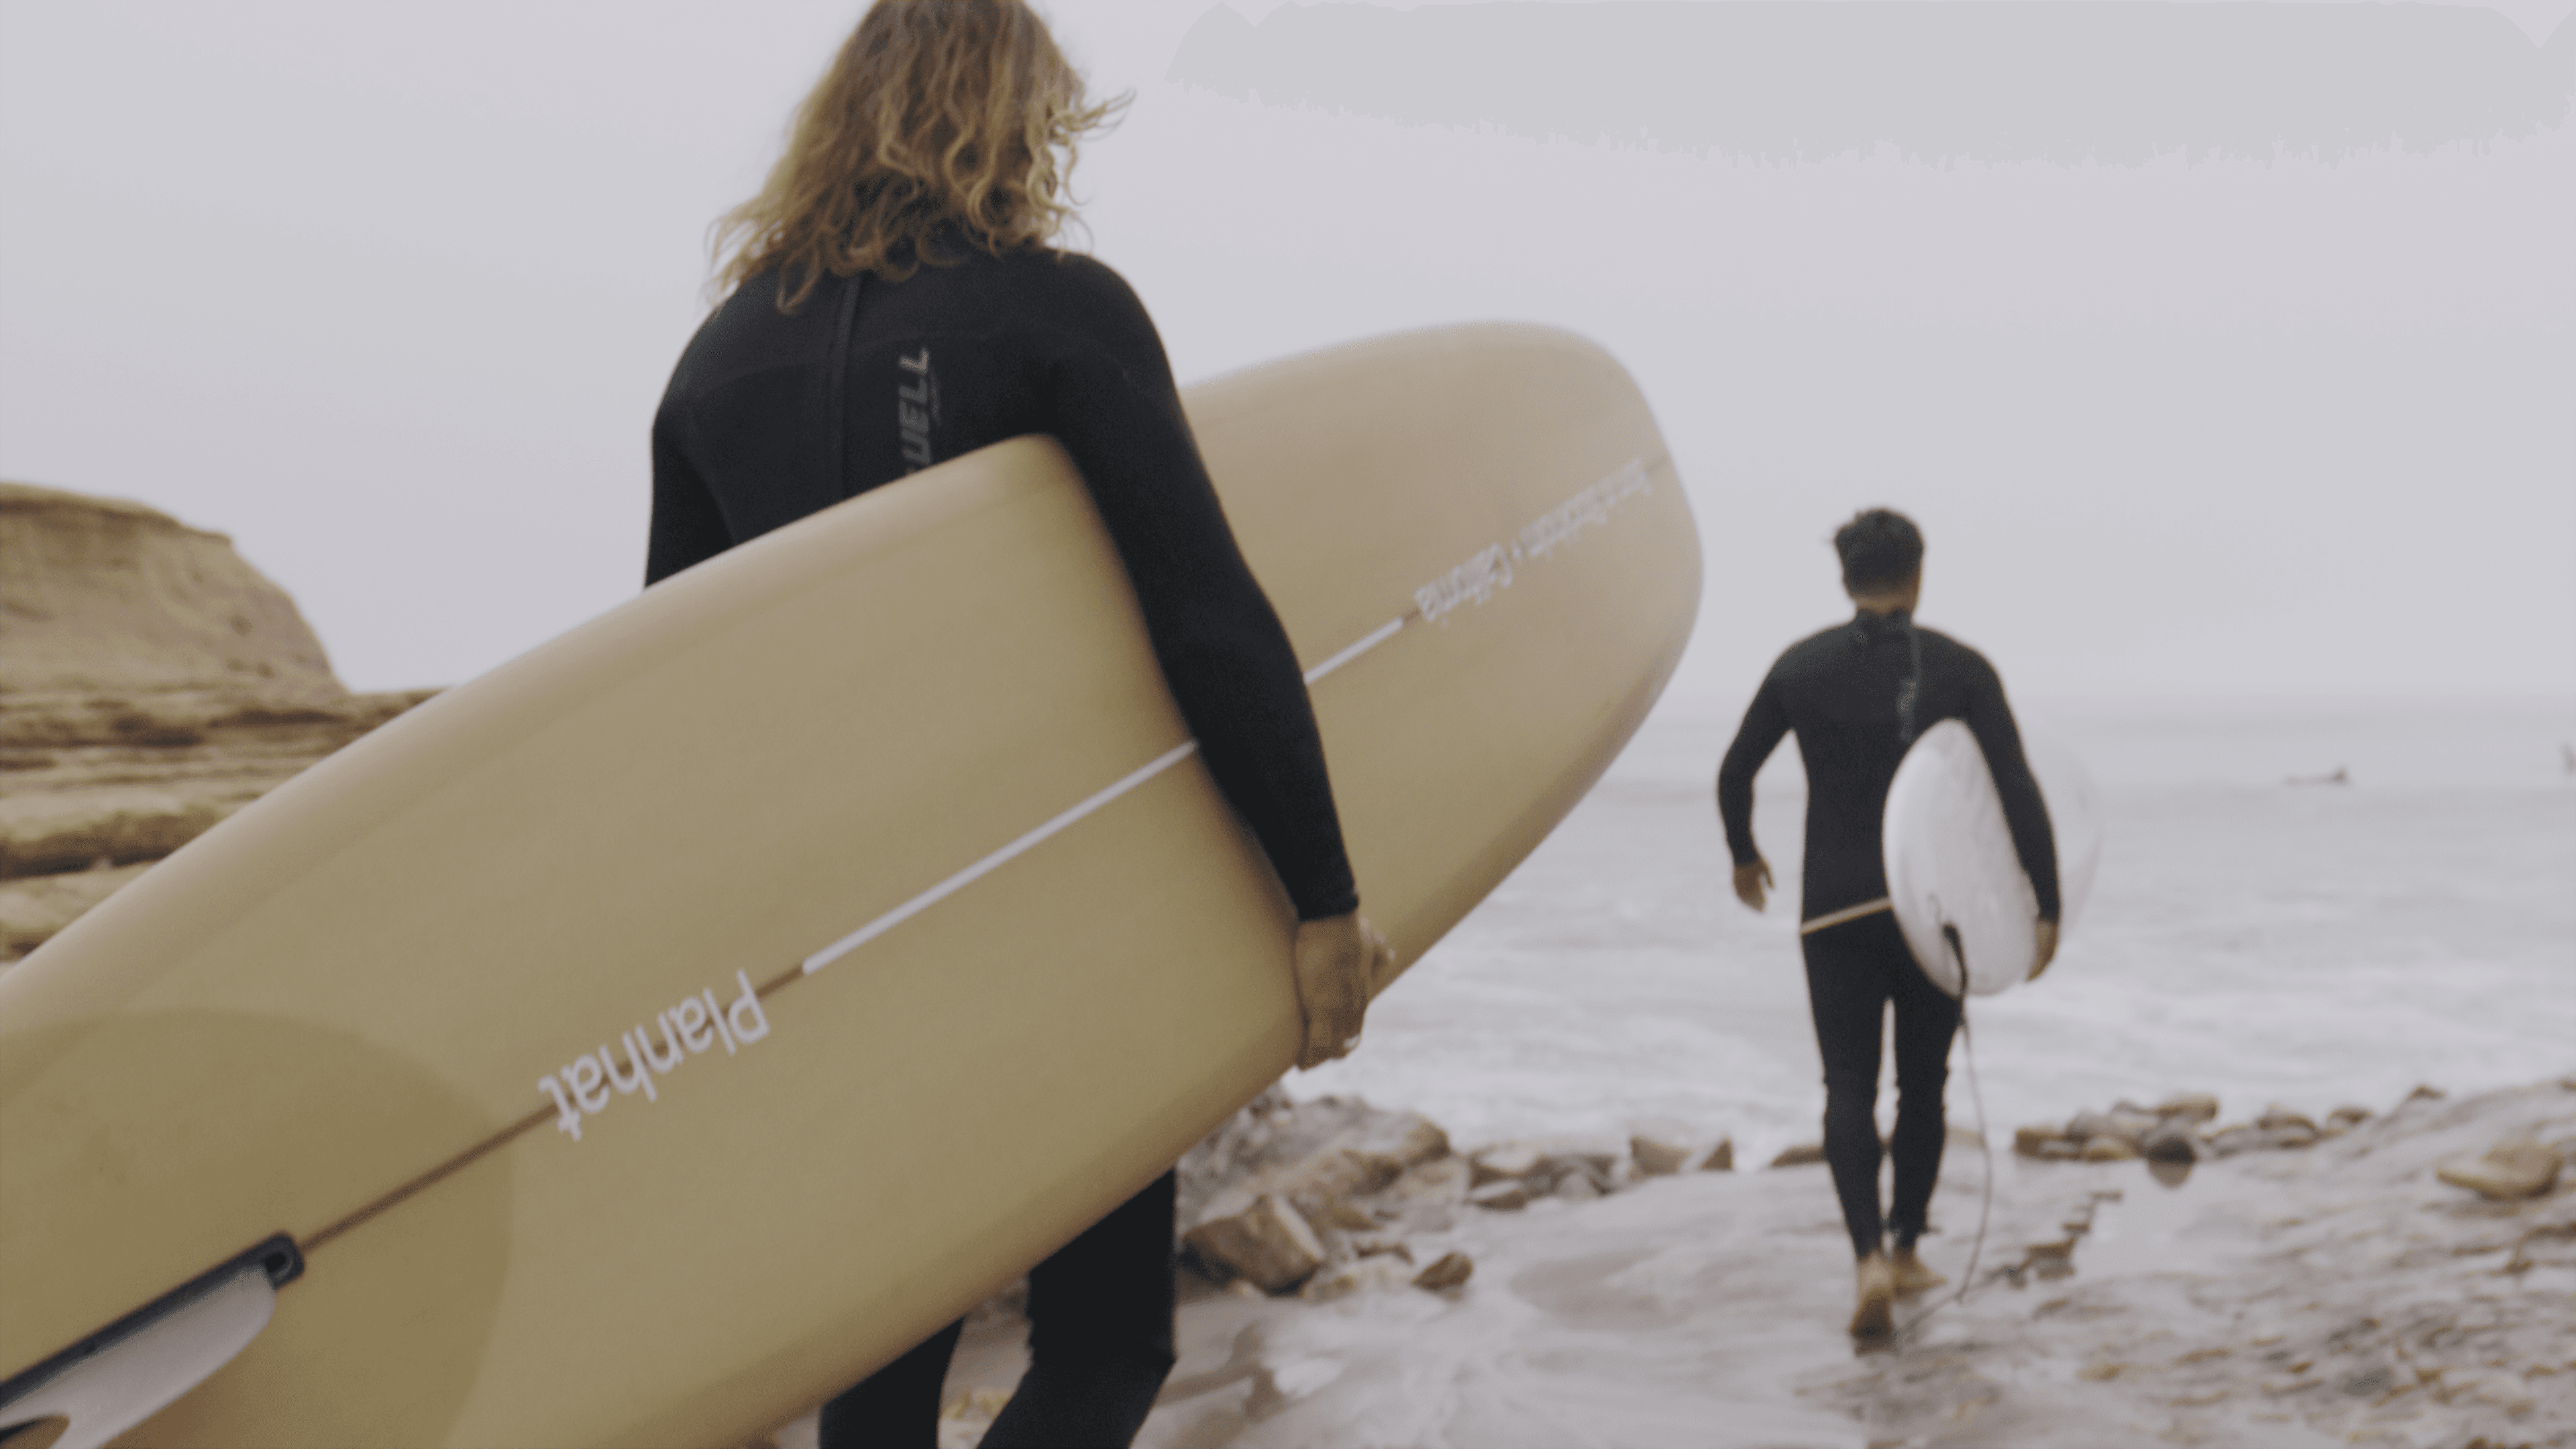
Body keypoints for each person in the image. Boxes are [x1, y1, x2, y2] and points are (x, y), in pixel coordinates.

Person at [645, 3, 1395, 1442]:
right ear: (1006, 115)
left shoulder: (716, 366)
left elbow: (681, 702)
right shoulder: (1055, 311)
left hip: (840, 941)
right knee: (1106, 1345)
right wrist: (1323, 896)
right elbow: (1206, 617)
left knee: (884, 1351)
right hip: (1058, 913)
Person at [1714, 508, 2057, 1341]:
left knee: (1847, 1086)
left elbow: (1734, 772)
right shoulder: (1960, 668)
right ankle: (1906, 1248)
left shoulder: (1799, 667)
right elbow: (2013, 787)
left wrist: (1745, 857)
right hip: (1929, 911)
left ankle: (1865, 1257)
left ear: (1844, 578)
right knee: (1924, 1085)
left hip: (1833, 906)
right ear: (1918, 573)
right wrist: (2042, 904)